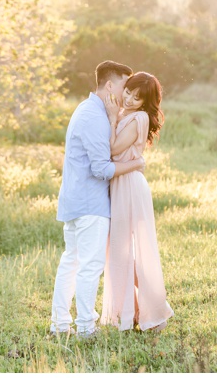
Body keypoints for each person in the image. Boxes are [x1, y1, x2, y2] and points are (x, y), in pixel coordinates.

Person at [50, 60, 145, 338]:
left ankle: (60, 324)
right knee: (89, 266)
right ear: (110, 86)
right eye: (124, 88)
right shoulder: (93, 116)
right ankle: (85, 328)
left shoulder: (88, 110)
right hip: (90, 205)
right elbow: (101, 168)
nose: (126, 96)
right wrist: (137, 163)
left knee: (72, 262)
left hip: (75, 201)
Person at [100, 71, 174, 332]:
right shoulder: (126, 114)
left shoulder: (138, 117)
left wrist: (111, 118)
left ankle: (157, 310)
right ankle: (131, 311)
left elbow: (113, 149)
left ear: (146, 102)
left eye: (137, 97)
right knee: (119, 250)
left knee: (134, 250)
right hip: (120, 183)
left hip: (129, 185)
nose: (129, 98)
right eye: (128, 92)